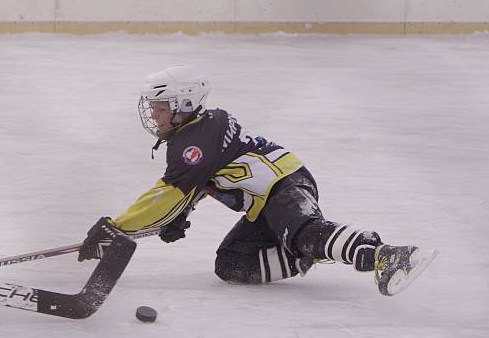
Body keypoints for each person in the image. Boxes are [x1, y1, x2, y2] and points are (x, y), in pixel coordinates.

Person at [78, 65, 436, 296]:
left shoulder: (193, 142)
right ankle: (305, 251)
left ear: (184, 104)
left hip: (283, 186)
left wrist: (118, 227)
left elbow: (168, 193)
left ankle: (387, 254)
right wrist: (180, 215)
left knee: (304, 231)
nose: (154, 115)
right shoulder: (198, 130)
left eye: (160, 108)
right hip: (264, 202)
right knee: (232, 264)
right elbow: (198, 184)